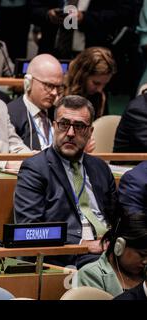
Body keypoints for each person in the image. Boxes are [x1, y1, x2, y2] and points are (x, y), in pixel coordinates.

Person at [14, 95, 118, 268]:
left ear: (90, 132)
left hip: (108, 247)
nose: (70, 133)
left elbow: (117, 217)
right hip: (68, 255)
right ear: (54, 126)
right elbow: (29, 229)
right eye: (64, 124)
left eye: (79, 126)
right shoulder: (35, 168)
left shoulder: (100, 168)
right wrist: (81, 243)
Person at [75, 212, 147, 296]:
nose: (145, 261)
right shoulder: (90, 275)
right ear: (119, 246)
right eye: (142, 255)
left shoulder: (144, 273)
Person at [7, 54, 64, 151]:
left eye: (58, 87)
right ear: (28, 82)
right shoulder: (9, 115)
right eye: (49, 85)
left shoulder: (59, 114)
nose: (54, 93)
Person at [64, 47, 116, 119]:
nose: (100, 90)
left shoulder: (99, 96)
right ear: (82, 76)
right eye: (96, 83)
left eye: (105, 84)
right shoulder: (58, 93)